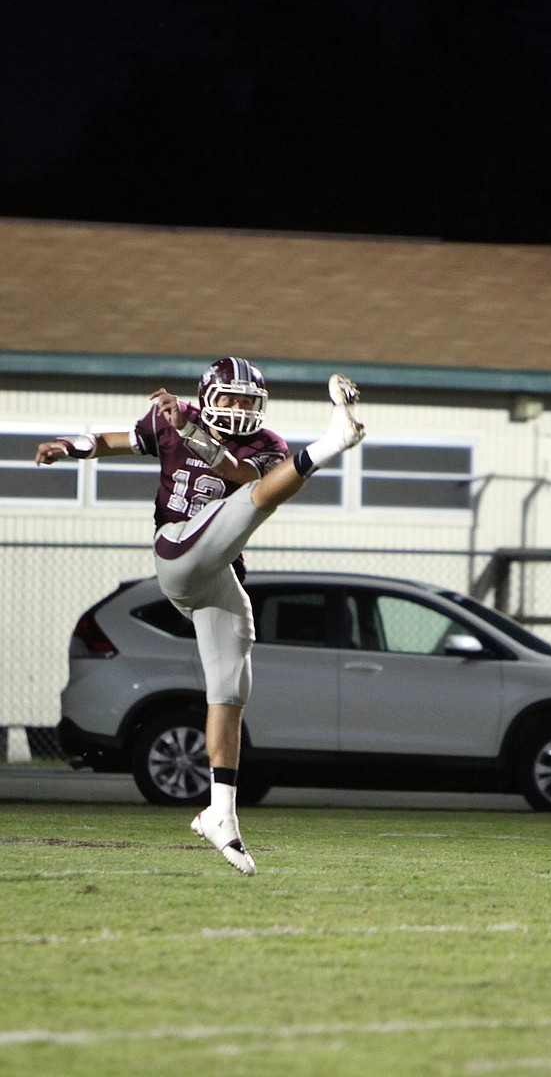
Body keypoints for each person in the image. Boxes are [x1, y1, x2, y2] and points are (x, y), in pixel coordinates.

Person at [35, 358, 365, 875]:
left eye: (246, 401)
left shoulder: (263, 444)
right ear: (209, 396)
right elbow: (111, 440)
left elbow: (236, 472)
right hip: (177, 551)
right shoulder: (174, 419)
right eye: (228, 399)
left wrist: (190, 428)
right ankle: (332, 442)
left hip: (218, 573)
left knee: (231, 686)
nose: (237, 409)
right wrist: (68, 448)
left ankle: (221, 815)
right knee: (252, 505)